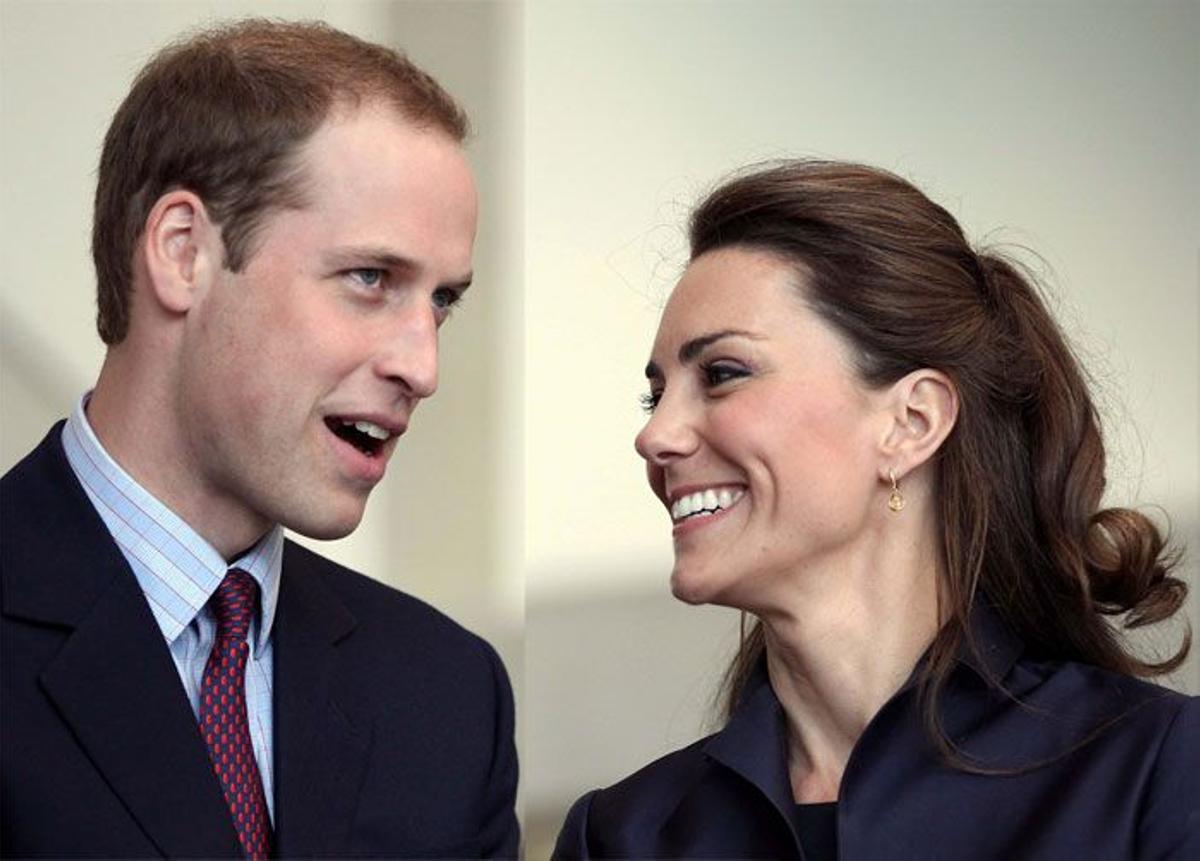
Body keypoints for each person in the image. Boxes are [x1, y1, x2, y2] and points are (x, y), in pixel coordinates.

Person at [554, 160, 1197, 859]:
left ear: (912, 422)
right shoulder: (619, 836)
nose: (656, 435)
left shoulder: (1154, 773)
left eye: (721, 373)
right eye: (657, 395)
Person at [1, 20, 518, 859]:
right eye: (370, 278)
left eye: (442, 302)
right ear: (183, 253)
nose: (423, 366)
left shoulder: (451, 698)